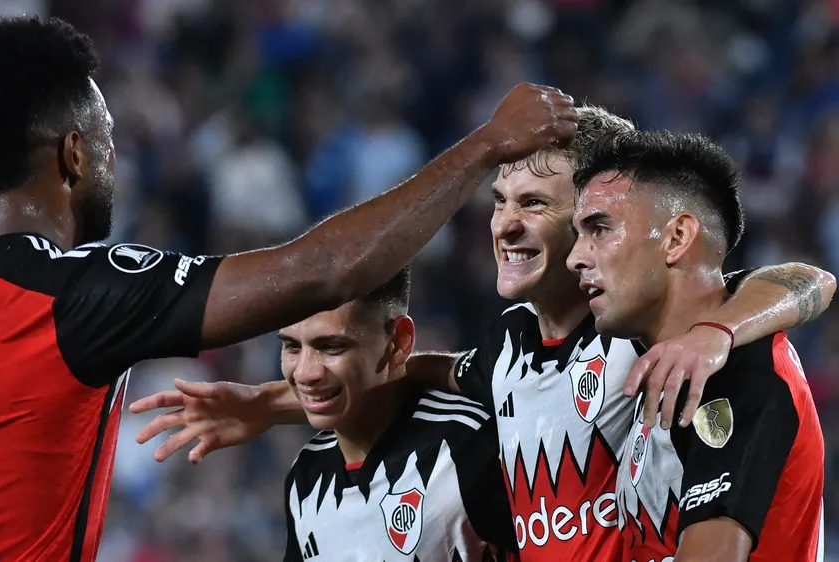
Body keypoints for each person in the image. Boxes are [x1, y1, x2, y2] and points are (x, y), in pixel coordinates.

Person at [0, 16, 581, 562]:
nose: (111, 161)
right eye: (105, 144)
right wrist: (487, 145)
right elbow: (324, 273)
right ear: (71, 155)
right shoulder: (74, 296)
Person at [132, 107, 835, 561]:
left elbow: (800, 281)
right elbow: (410, 370)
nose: (504, 224)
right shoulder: (509, 349)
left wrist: (715, 332)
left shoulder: (643, 335)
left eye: (537, 205)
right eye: (499, 203)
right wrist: (272, 403)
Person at [568, 130, 825, 561]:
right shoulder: (672, 362)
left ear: (677, 237)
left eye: (599, 228)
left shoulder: (738, 369)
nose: (576, 257)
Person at [279, 267, 516, 561]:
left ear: (399, 342)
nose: (305, 372)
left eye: (331, 347)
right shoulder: (305, 475)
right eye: (291, 346)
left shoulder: (466, 447)